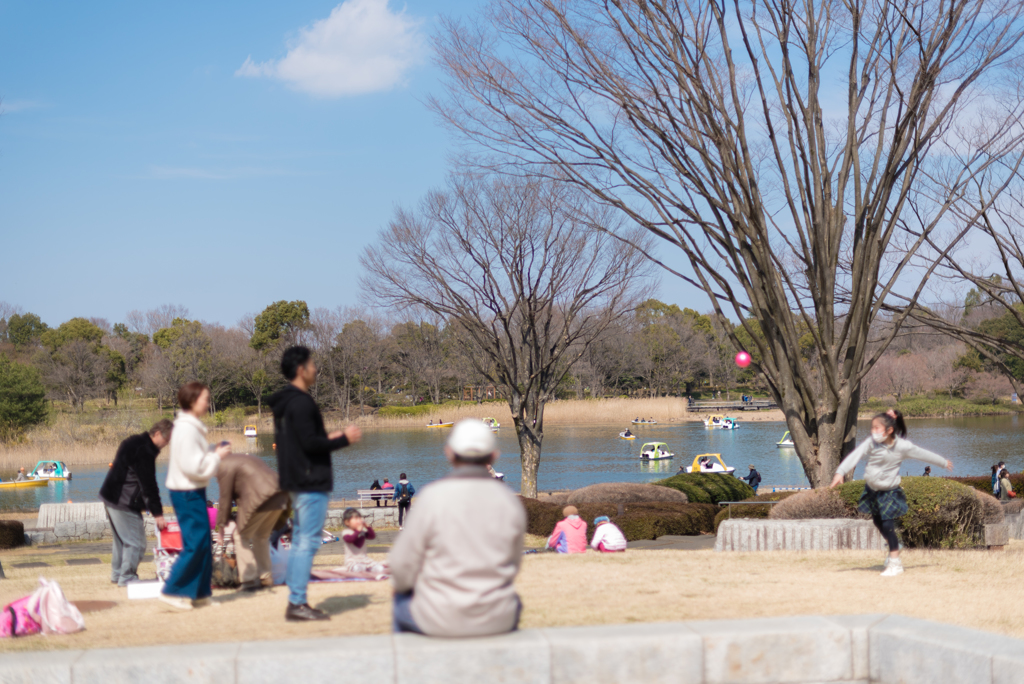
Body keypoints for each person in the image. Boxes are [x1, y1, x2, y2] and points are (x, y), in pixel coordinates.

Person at [390, 419, 526, 637]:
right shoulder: (509, 503)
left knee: (400, 597)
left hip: (441, 616)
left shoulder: (432, 497)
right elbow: (514, 563)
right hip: (497, 616)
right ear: (494, 455)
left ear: (449, 453)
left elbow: (401, 566)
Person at [270, 345, 362, 622]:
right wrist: (343, 438)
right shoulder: (302, 402)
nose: (315, 368)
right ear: (301, 369)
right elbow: (310, 444)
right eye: (311, 364)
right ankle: (297, 602)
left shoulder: (284, 403)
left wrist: (328, 436)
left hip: (295, 481)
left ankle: (297, 601)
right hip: (310, 481)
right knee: (306, 543)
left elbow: (300, 441)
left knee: (300, 540)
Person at [830, 409, 952, 577]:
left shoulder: (902, 446)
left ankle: (895, 563)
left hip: (889, 491)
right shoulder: (871, 443)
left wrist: (943, 462)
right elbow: (855, 455)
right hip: (872, 490)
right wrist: (840, 472)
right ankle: (896, 546)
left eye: (877, 428)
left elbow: (923, 454)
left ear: (889, 430)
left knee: (887, 525)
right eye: (872, 428)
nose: (874, 432)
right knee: (877, 522)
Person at [161, 382, 231, 610]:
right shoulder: (187, 429)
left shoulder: (190, 426)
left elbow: (193, 463)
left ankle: (200, 594)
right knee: (195, 544)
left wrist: (211, 455)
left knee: (202, 544)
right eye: (205, 399)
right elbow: (193, 467)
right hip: (186, 491)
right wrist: (217, 456)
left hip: (191, 490)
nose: (208, 403)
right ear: (193, 400)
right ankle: (172, 590)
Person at [99, 419, 172, 587]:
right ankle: (127, 577)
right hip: (124, 501)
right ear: (158, 434)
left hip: (110, 497)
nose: (166, 444)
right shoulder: (144, 451)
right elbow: (149, 485)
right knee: (136, 542)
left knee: (121, 541)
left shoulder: (133, 441)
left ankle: (117, 575)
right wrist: (158, 513)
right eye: (166, 440)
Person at [215, 453, 289, 592]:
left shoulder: (224, 466)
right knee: (260, 537)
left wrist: (220, 530)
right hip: (280, 495)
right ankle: (265, 577)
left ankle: (249, 579)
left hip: (261, 498)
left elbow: (225, 500)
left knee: (240, 536)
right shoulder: (241, 459)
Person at [340, 508, 387, 575]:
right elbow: (350, 539)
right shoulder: (346, 532)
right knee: (359, 569)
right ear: (347, 522)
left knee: (380, 569)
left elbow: (372, 536)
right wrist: (358, 531)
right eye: (356, 519)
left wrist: (368, 527)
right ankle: (360, 570)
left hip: (364, 560)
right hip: (353, 561)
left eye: (359, 518)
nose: (359, 520)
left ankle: (368, 569)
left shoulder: (362, 532)